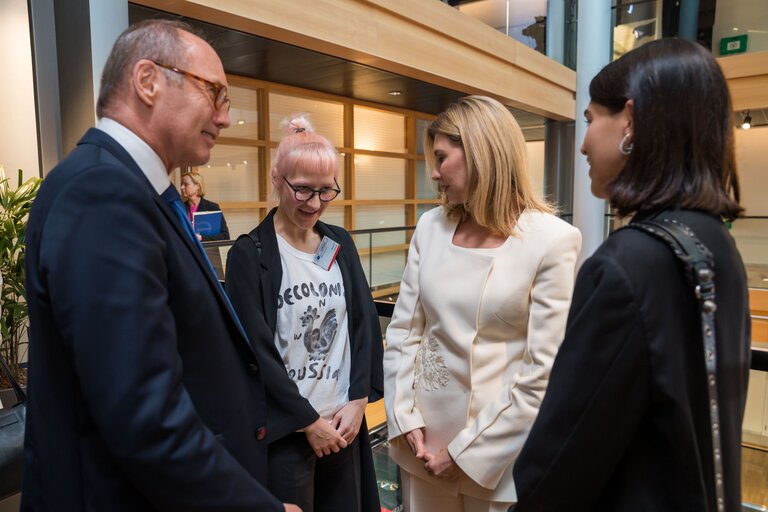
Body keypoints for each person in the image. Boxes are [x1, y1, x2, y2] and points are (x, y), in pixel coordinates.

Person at [22, 19, 298, 512]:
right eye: (215, 93)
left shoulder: (136, 190)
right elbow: (143, 414)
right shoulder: (101, 193)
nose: (225, 117)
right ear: (148, 81)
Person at [512, 38, 751, 512]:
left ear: (630, 121)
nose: (582, 144)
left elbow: (562, 457)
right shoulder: (718, 243)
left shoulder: (628, 264)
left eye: (590, 120)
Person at [383, 95, 582, 512]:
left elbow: (541, 371)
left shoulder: (553, 240)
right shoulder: (430, 226)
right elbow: (404, 331)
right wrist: (405, 418)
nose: (434, 173)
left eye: (441, 158)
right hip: (421, 444)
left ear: (480, 152)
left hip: (494, 460)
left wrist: (467, 452)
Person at [225, 114, 384, 512]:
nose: (315, 204)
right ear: (278, 180)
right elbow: (257, 352)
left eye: (326, 191)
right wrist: (308, 422)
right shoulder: (250, 254)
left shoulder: (339, 243)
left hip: (344, 422)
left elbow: (363, 324)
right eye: (303, 191)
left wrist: (359, 399)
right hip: (289, 432)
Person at [181, 169, 230, 275]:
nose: (182, 187)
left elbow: (225, 236)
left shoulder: (212, 207)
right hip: (186, 260)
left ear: (197, 186)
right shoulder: (180, 208)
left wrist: (202, 238)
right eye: (181, 184)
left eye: (186, 184)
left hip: (209, 261)